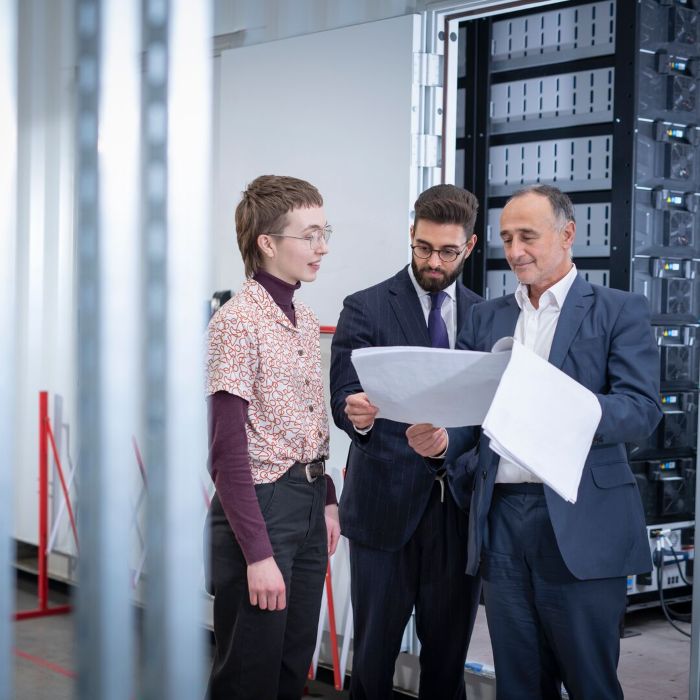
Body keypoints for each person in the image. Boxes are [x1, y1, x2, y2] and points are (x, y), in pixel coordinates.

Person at [408, 184, 662, 700]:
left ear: (567, 234)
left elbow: (641, 411)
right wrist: (443, 444)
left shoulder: (618, 310)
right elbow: (473, 417)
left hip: (579, 520)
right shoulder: (487, 316)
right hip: (502, 520)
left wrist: (557, 403)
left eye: (528, 236)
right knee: (519, 683)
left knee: (590, 682)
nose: (516, 250)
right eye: (506, 238)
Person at [330, 184, 483, 700]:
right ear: (411, 236)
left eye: (447, 251)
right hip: (382, 513)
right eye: (422, 247)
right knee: (373, 663)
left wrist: (451, 441)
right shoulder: (366, 307)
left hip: (457, 514)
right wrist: (362, 418)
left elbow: (492, 415)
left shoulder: (487, 317)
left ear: (470, 246)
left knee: (447, 667)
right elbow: (343, 399)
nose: (433, 261)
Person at [204, 175, 341, 700]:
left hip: (305, 504)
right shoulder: (237, 322)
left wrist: (325, 497)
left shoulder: (303, 318)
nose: (321, 246)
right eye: (309, 235)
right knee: (249, 673)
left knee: (291, 665)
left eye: (324, 232)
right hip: (260, 507)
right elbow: (226, 453)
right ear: (268, 242)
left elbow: (306, 421)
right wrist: (257, 553)